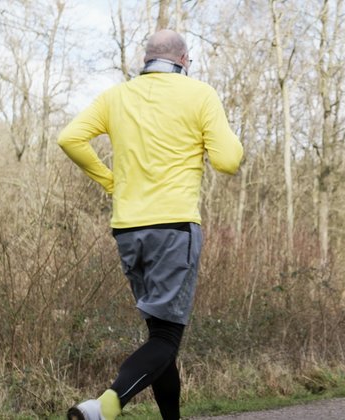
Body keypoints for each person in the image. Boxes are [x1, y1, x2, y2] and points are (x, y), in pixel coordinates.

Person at [58, 29, 243, 420]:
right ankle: (104, 407)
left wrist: (112, 181)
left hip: (128, 229)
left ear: (146, 60)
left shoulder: (116, 96)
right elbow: (227, 161)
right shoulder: (200, 94)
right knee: (165, 337)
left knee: (159, 336)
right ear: (183, 60)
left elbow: (71, 138)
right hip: (174, 228)